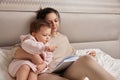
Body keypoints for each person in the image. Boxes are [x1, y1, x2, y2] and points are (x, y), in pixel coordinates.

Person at [12, 7, 116, 80]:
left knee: (86, 60)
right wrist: (34, 56)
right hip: (45, 74)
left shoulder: (63, 38)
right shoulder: (36, 37)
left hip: (67, 71)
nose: (54, 24)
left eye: (56, 21)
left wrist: (86, 55)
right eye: (49, 22)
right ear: (42, 23)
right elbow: (15, 52)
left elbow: (72, 53)